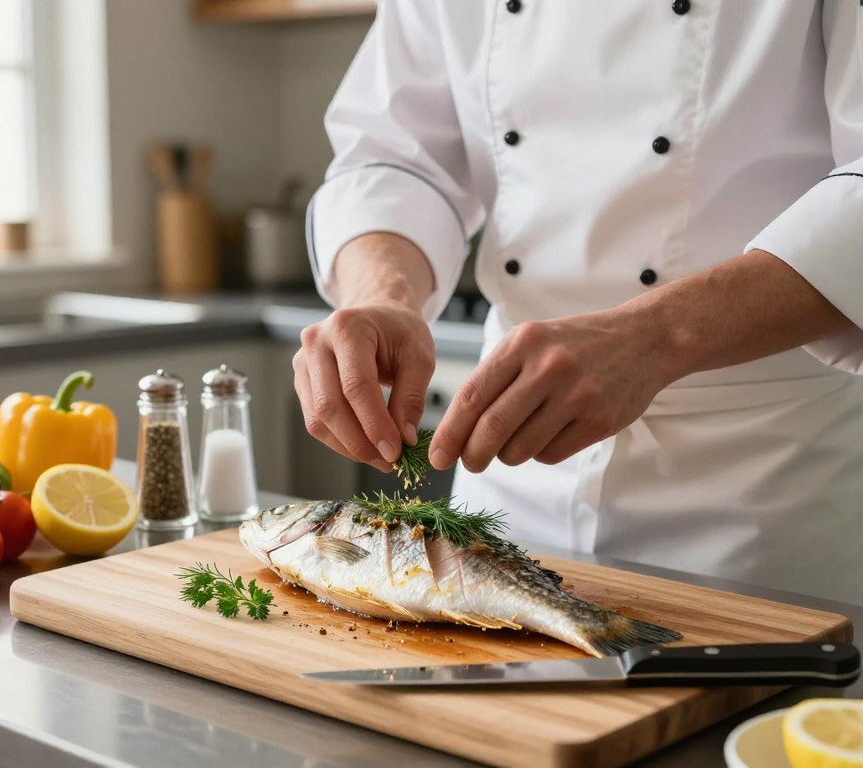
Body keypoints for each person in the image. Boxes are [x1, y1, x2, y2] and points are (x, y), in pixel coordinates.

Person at [293, 1, 863, 605]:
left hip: (760, 491)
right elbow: (394, 157)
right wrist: (384, 296)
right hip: (509, 487)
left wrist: (653, 338)